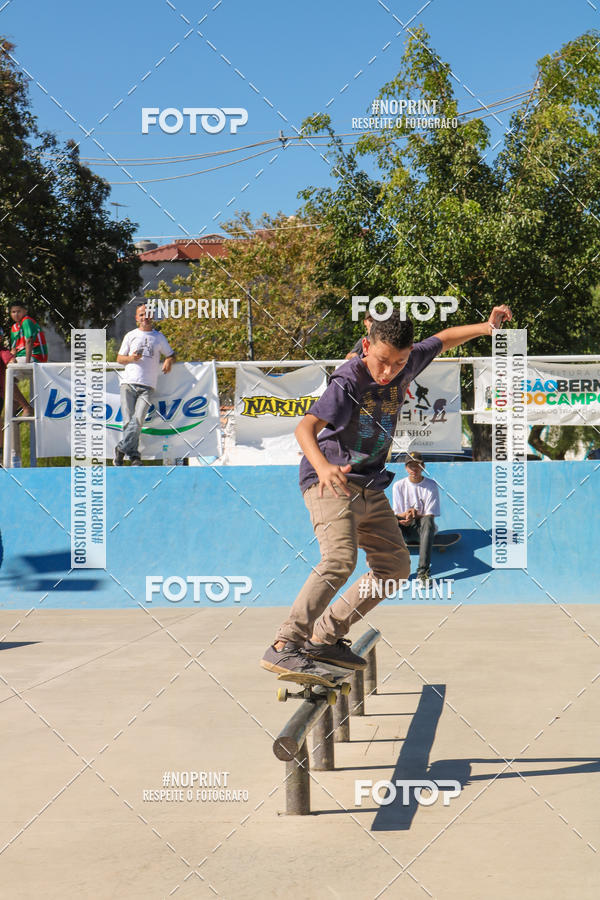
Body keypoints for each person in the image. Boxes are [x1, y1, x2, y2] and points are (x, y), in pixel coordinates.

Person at [260, 304, 512, 680]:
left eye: (398, 363)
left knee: (395, 569)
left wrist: (487, 328)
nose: (389, 371)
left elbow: (443, 339)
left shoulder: (407, 363)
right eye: (382, 361)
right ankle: (285, 644)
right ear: (366, 346)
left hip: (370, 485)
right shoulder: (348, 381)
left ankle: (324, 638)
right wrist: (325, 467)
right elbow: (305, 427)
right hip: (331, 479)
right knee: (339, 560)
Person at [114, 304, 175, 466]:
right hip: (128, 383)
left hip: (148, 385)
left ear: (152, 317)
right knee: (128, 421)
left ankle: (121, 449)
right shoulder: (130, 335)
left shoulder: (159, 337)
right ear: (136, 318)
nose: (144, 318)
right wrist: (131, 359)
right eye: (141, 315)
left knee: (138, 419)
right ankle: (134, 456)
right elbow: (119, 359)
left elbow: (171, 354)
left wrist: (168, 361)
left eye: (147, 315)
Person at [392, 452, 440, 585]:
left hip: (422, 530)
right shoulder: (398, 486)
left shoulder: (431, 485)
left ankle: (423, 573)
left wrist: (414, 514)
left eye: (417, 465)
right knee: (389, 518)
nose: (414, 469)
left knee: (428, 520)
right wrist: (405, 515)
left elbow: (430, 514)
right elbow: (398, 512)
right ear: (406, 468)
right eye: (411, 466)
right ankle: (394, 571)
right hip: (404, 530)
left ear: (423, 466)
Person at [0, 328, 33, 418]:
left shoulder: (2, 352)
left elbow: (12, 360)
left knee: (10, 379)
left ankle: (24, 405)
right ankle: (20, 404)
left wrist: (11, 360)